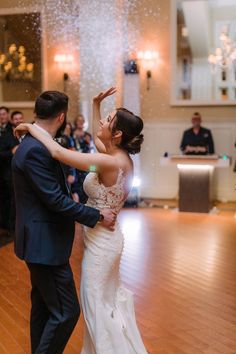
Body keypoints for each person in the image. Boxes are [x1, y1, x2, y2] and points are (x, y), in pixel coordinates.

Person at [15, 87, 148, 353]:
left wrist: (31, 127)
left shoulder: (108, 162)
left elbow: (59, 153)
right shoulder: (114, 156)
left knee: (95, 307)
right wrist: (96, 104)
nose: (101, 122)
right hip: (106, 238)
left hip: (102, 243)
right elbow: (103, 143)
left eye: (107, 120)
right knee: (100, 305)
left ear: (118, 134)